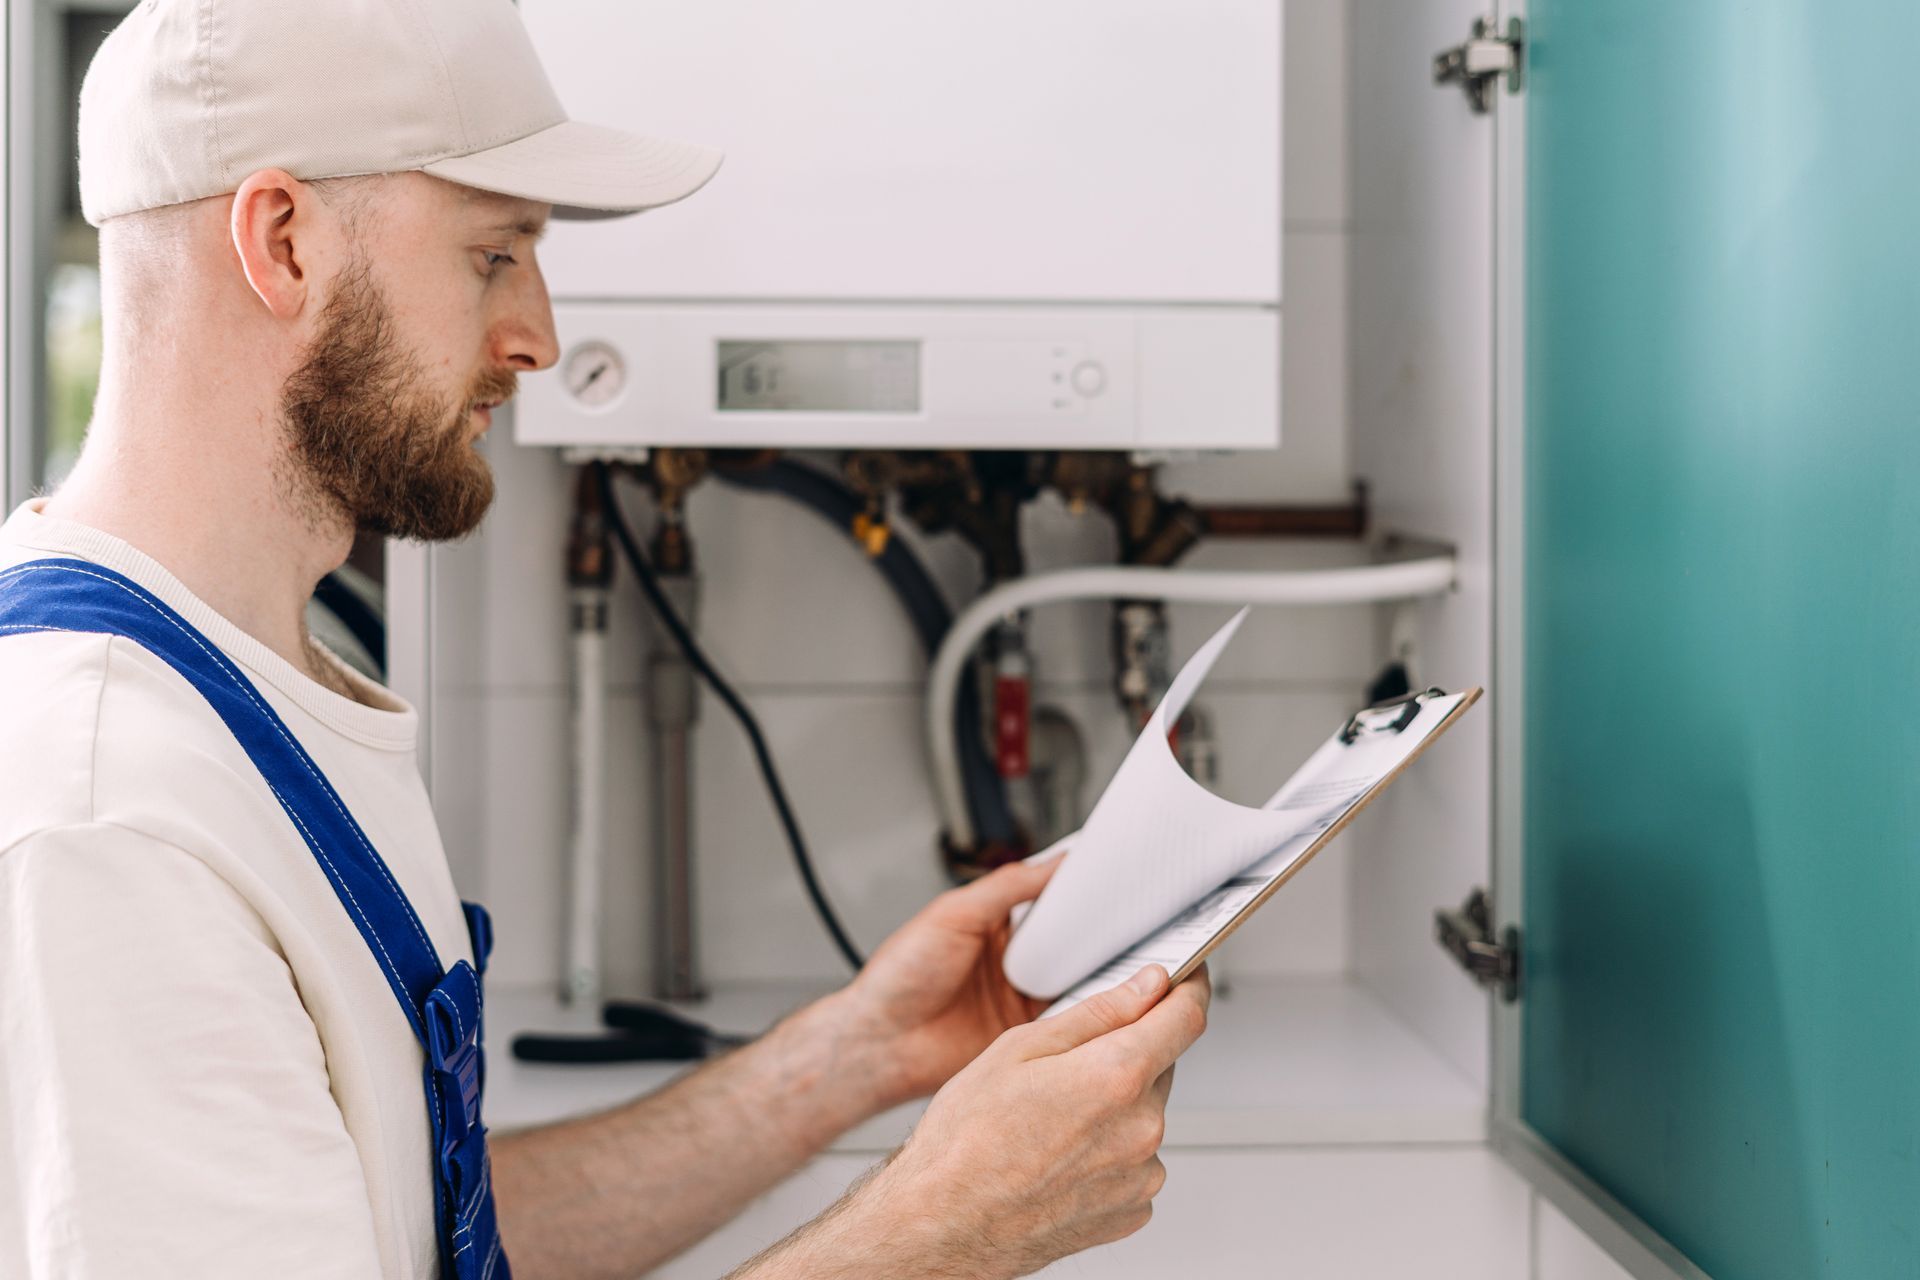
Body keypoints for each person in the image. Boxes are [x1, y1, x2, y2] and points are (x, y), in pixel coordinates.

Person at [0, 2, 1212, 1278]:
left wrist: (855, 1050)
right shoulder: (104, 822)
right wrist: (941, 1230)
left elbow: (399, 1226)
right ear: (284, 242)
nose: (539, 334)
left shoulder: (242, 691)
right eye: (493, 253)